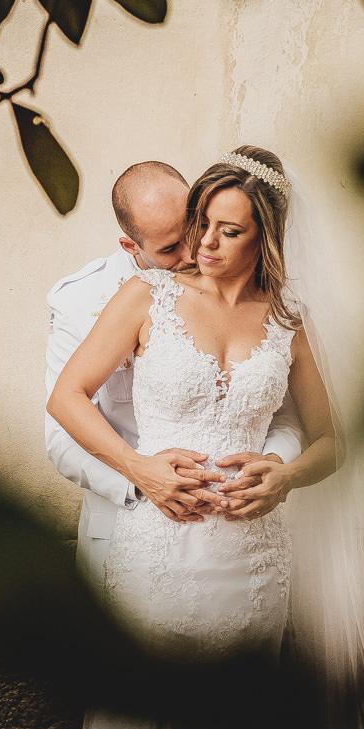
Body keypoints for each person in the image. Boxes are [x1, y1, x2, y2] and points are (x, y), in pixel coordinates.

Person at [47, 146, 364, 729]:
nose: (205, 244)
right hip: (158, 548)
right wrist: (140, 469)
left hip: (252, 562)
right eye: (202, 224)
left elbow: (331, 443)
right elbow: (66, 398)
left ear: (264, 237)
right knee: (145, 723)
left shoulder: (288, 320)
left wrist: (286, 477)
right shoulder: (146, 296)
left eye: (229, 230)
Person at [45, 161, 303, 593]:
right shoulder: (82, 300)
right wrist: (141, 476)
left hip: (245, 542)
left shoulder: (274, 311)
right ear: (131, 245)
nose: (195, 252)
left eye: (194, 227)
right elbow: (61, 429)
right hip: (132, 520)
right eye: (170, 248)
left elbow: (282, 415)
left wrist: (271, 468)